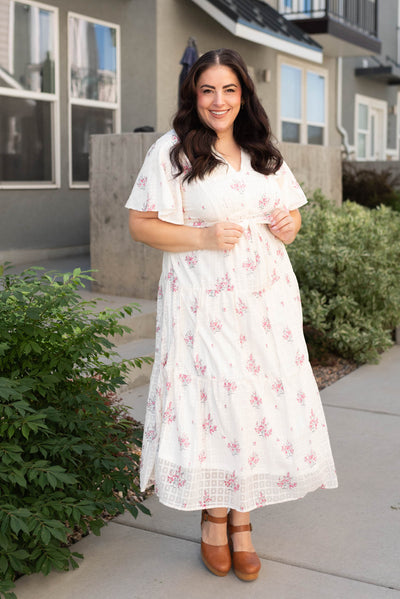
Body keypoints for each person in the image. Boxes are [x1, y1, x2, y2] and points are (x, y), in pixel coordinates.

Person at [126, 48, 338, 582]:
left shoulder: (263, 150)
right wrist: (200, 236)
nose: (218, 101)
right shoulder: (172, 151)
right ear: (193, 96)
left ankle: (241, 517)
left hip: (265, 300)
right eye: (207, 90)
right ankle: (213, 515)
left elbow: (286, 218)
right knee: (212, 398)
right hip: (201, 298)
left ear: (244, 95)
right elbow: (141, 224)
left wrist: (289, 225)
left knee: (257, 398)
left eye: (229, 90)